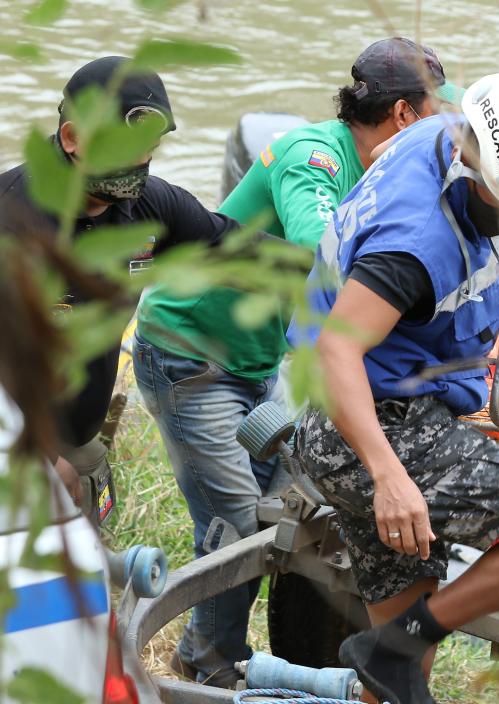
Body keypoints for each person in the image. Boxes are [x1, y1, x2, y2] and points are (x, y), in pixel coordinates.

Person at [130, 37, 457, 687]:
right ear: (403, 115)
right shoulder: (312, 155)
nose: (447, 129)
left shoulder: (385, 168)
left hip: (257, 361)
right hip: (189, 350)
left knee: (301, 513)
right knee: (241, 520)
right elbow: (323, 245)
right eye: (438, 113)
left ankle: (284, 656)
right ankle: (203, 661)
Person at [289, 70, 499, 704]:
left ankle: (397, 653)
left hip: (350, 419)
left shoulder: (435, 128)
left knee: (402, 684)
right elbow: (337, 347)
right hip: (377, 427)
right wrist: (389, 477)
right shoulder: (414, 247)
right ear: (482, 179)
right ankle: (403, 639)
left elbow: (381, 162)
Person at [0, 56, 248, 526]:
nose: (139, 160)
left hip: (76, 448)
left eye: (148, 146)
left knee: (87, 586)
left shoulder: (149, 206)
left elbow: (234, 246)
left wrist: (347, 270)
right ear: (72, 138)